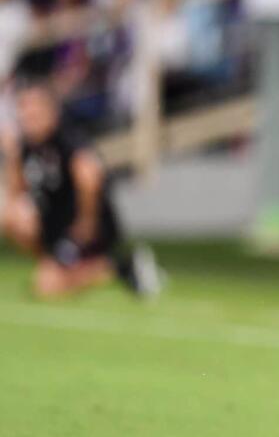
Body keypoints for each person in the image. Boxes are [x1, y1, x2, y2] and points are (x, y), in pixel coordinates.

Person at [1, 78, 162, 299]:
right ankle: (58, 266)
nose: (28, 116)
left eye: (34, 109)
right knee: (11, 216)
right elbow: (17, 191)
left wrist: (86, 224)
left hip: (84, 228)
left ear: (51, 111)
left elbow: (89, 175)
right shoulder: (28, 145)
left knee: (47, 287)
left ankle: (116, 266)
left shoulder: (67, 139)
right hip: (55, 224)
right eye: (24, 109)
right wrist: (13, 156)